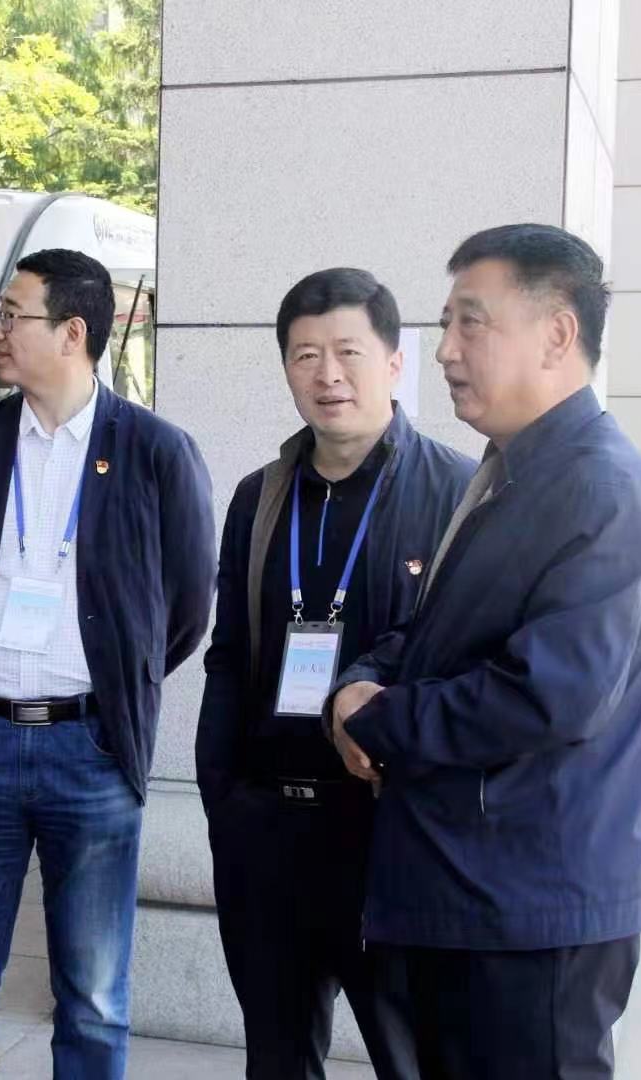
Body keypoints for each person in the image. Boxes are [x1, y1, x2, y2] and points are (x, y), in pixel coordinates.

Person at [328, 224, 641, 1080]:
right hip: (469, 894)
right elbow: (439, 632)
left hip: (529, 915)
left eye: (471, 322)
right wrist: (362, 682)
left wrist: (380, 720)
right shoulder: (511, 469)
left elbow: (549, 694)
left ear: (557, 333)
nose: (445, 349)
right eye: (447, 322)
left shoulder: (599, 486)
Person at [0, 248, 216, 1079]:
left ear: (73, 332)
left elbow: (187, 607)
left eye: (13, 315)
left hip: (92, 750)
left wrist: (115, 686)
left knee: (95, 996)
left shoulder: (155, 450)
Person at [196, 268, 474, 1079]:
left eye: (349, 351)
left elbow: (459, 657)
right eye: (305, 355)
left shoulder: (455, 491)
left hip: (385, 832)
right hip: (265, 830)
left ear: (394, 361)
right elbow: (228, 653)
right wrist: (223, 797)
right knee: (277, 1058)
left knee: (410, 1055)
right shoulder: (259, 496)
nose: (328, 375)